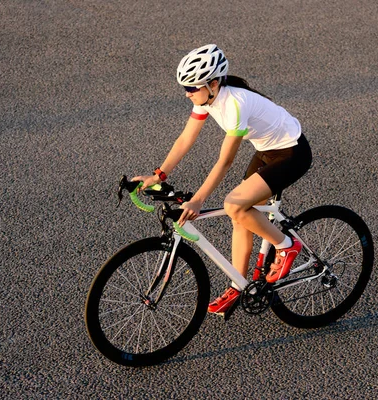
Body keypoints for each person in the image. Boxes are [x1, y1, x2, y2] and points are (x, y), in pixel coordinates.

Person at [132, 44, 312, 314]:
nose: (187, 93)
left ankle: (286, 245)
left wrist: (197, 200)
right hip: (266, 151)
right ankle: (239, 285)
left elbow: (225, 161)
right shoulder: (208, 100)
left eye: (192, 87)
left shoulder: (234, 104)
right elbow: (185, 139)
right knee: (240, 216)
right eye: (185, 87)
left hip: (291, 153)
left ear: (213, 83)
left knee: (234, 205)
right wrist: (158, 174)